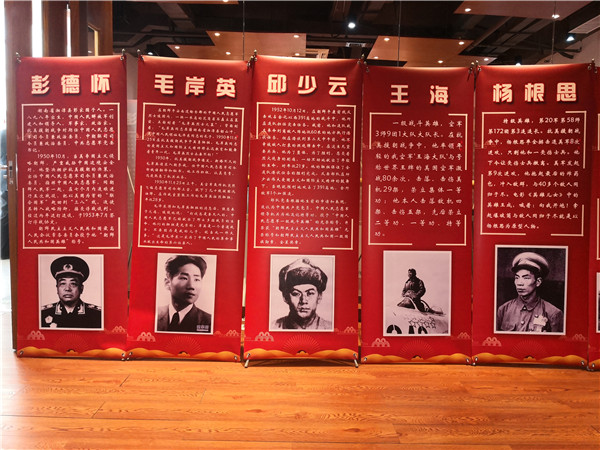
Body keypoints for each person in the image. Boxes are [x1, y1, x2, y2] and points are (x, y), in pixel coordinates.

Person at [497, 252, 564, 333]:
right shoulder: (503, 310)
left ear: (538, 282)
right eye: (517, 277)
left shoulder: (553, 313)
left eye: (526, 278)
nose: (519, 283)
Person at [41, 256, 101, 329]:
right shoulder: (43, 313)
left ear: (81, 288)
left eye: (73, 284)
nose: (67, 289)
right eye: (63, 283)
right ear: (57, 288)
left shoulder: (97, 315)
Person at [272, 257, 332, 330]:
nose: (303, 301)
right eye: (296, 293)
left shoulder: (330, 327)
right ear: (285, 297)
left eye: (310, 293)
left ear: (319, 296)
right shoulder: (274, 327)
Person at [156, 255, 212, 333]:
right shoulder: (155, 315)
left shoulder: (209, 322)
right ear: (167, 283)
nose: (191, 286)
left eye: (196, 279)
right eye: (184, 278)